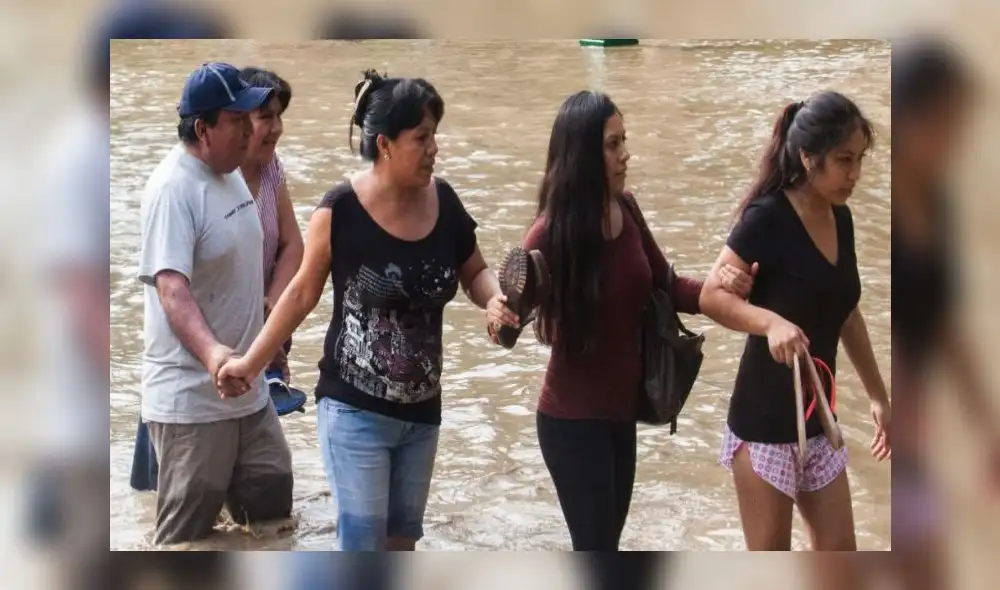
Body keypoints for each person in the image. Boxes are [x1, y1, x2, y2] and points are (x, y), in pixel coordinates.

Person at [217, 69, 519, 551]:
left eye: (434, 136)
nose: (434, 148)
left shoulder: (445, 202)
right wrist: (250, 365)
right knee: (361, 546)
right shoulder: (340, 210)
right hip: (354, 410)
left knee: (402, 544)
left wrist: (493, 301)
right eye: (421, 138)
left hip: (423, 413)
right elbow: (299, 295)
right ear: (385, 144)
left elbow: (474, 272)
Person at [512, 91, 755, 551]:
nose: (625, 154)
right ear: (583, 153)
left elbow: (667, 284)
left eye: (625, 141)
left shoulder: (627, 209)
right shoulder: (550, 232)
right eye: (612, 144)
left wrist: (725, 286)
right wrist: (501, 314)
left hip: (621, 415)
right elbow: (511, 319)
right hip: (571, 420)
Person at [698, 90, 891, 551]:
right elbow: (711, 296)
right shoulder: (766, 218)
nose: (855, 174)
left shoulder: (841, 220)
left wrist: (879, 397)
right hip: (764, 426)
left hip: (819, 422)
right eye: (844, 160)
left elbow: (846, 313)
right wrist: (770, 323)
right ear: (808, 157)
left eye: (860, 159)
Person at [136, 62, 293, 545]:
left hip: (250, 395)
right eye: (238, 120)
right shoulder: (173, 189)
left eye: (253, 118)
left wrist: (268, 337)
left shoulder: (231, 174)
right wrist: (214, 354)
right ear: (203, 129)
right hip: (193, 404)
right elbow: (172, 290)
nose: (251, 130)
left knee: (272, 518)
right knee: (185, 542)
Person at [238, 66, 303, 383]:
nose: (277, 128)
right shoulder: (218, 176)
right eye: (266, 117)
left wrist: (274, 308)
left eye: (279, 116)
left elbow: (293, 244)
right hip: (223, 329)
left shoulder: (271, 167)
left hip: (268, 324)